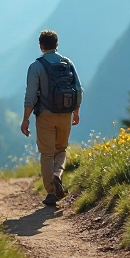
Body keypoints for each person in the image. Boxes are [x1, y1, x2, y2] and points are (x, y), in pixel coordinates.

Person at [21, 30, 82, 207]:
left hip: (45, 116)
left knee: (47, 153)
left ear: (41, 46)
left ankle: (51, 192)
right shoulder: (67, 63)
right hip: (66, 114)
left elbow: (31, 96)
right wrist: (76, 112)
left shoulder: (36, 67)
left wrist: (25, 119)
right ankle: (58, 174)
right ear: (57, 44)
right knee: (61, 149)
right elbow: (78, 89)